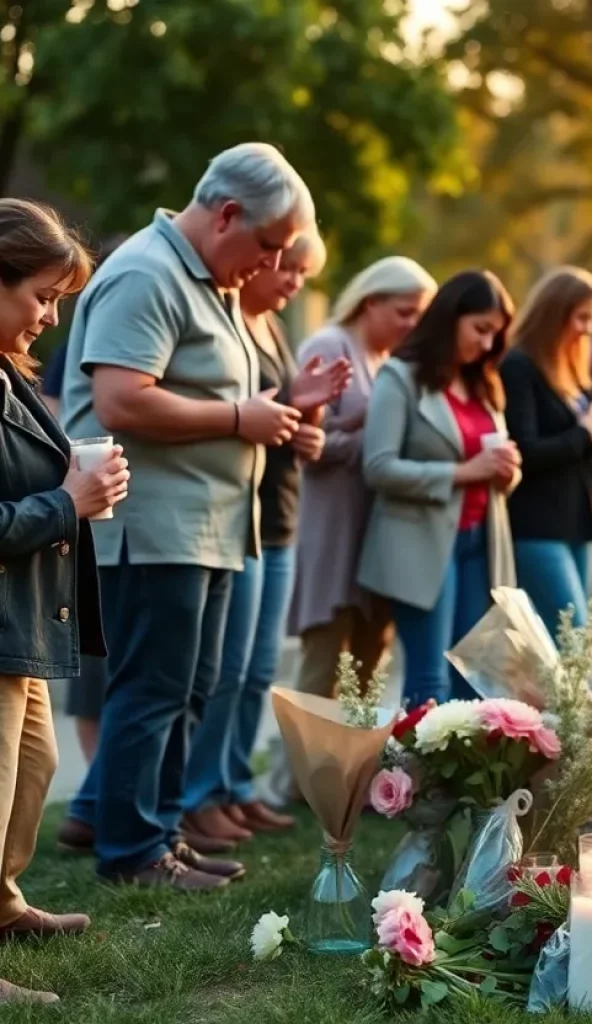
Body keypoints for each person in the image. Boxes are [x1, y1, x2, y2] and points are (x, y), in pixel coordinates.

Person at [56, 143, 320, 890]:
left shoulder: (209, 280)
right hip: (154, 527)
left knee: (186, 690)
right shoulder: (147, 273)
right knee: (152, 688)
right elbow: (120, 400)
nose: (271, 264)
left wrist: (271, 416)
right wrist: (240, 418)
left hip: (207, 527)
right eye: (269, 245)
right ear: (227, 214)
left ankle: (161, 835)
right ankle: (132, 852)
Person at [181, 231, 349, 846]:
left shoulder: (273, 329)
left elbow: (284, 415)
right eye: (287, 267)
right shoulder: (230, 324)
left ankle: (233, 785)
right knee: (226, 670)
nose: (292, 281)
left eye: (303, 272)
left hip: (280, 514)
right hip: (240, 516)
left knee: (256, 671)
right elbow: (241, 417)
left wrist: (309, 420)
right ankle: (201, 794)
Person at [0, 199, 127, 1004]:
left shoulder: (9, 367)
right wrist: (65, 504)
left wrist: (75, 482)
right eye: (42, 296)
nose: (51, 316)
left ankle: (3, 902)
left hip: (22, 615)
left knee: (34, 767)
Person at [358, 270, 521, 706]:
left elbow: (492, 466)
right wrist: (463, 472)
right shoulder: (400, 376)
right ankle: (417, 756)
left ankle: (463, 757)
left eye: (495, 334)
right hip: (421, 546)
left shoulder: (483, 383)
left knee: (474, 683)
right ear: (450, 317)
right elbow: (378, 467)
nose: (487, 343)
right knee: (430, 682)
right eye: (480, 329)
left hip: (481, 544)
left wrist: (506, 471)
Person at [288, 257, 437, 701]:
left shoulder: (387, 360)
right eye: (404, 312)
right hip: (333, 530)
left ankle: (355, 752)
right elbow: (304, 443)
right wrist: (374, 441)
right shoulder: (329, 346)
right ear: (370, 302)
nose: (413, 325)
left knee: (369, 676)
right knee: (322, 672)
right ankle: (301, 752)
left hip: (376, 534)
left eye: (420, 316)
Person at [501, 267, 592, 636]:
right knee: (571, 634)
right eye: (582, 318)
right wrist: (584, 434)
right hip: (537, 525)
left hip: (581, 523)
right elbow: (527, 451)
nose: (589, 329)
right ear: (555, 313)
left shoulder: (577, 371)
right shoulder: (519, 366)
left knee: (579, 640)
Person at [42, 234, 128, 766]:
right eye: (44, 297)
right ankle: (95, 785)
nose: (51, 315)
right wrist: (68, 493)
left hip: (91, 515)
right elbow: (52, 421)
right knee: (98, 665)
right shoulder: (78, 346)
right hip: (85, 523)